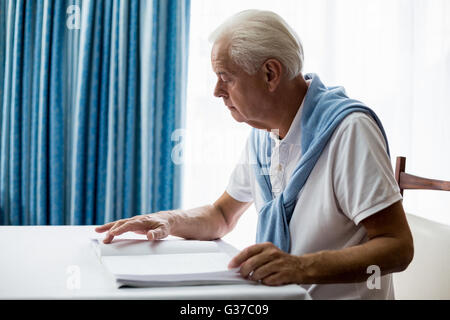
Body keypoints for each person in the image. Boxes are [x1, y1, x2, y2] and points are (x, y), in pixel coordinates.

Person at [95, 10, 414, 299]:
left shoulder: (349, 130)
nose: (217, 91)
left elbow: (397, 247)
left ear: (270, 74)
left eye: (225, 77)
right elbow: (221, 216)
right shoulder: (264, 134)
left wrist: (300, 268)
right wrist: (167, 219)